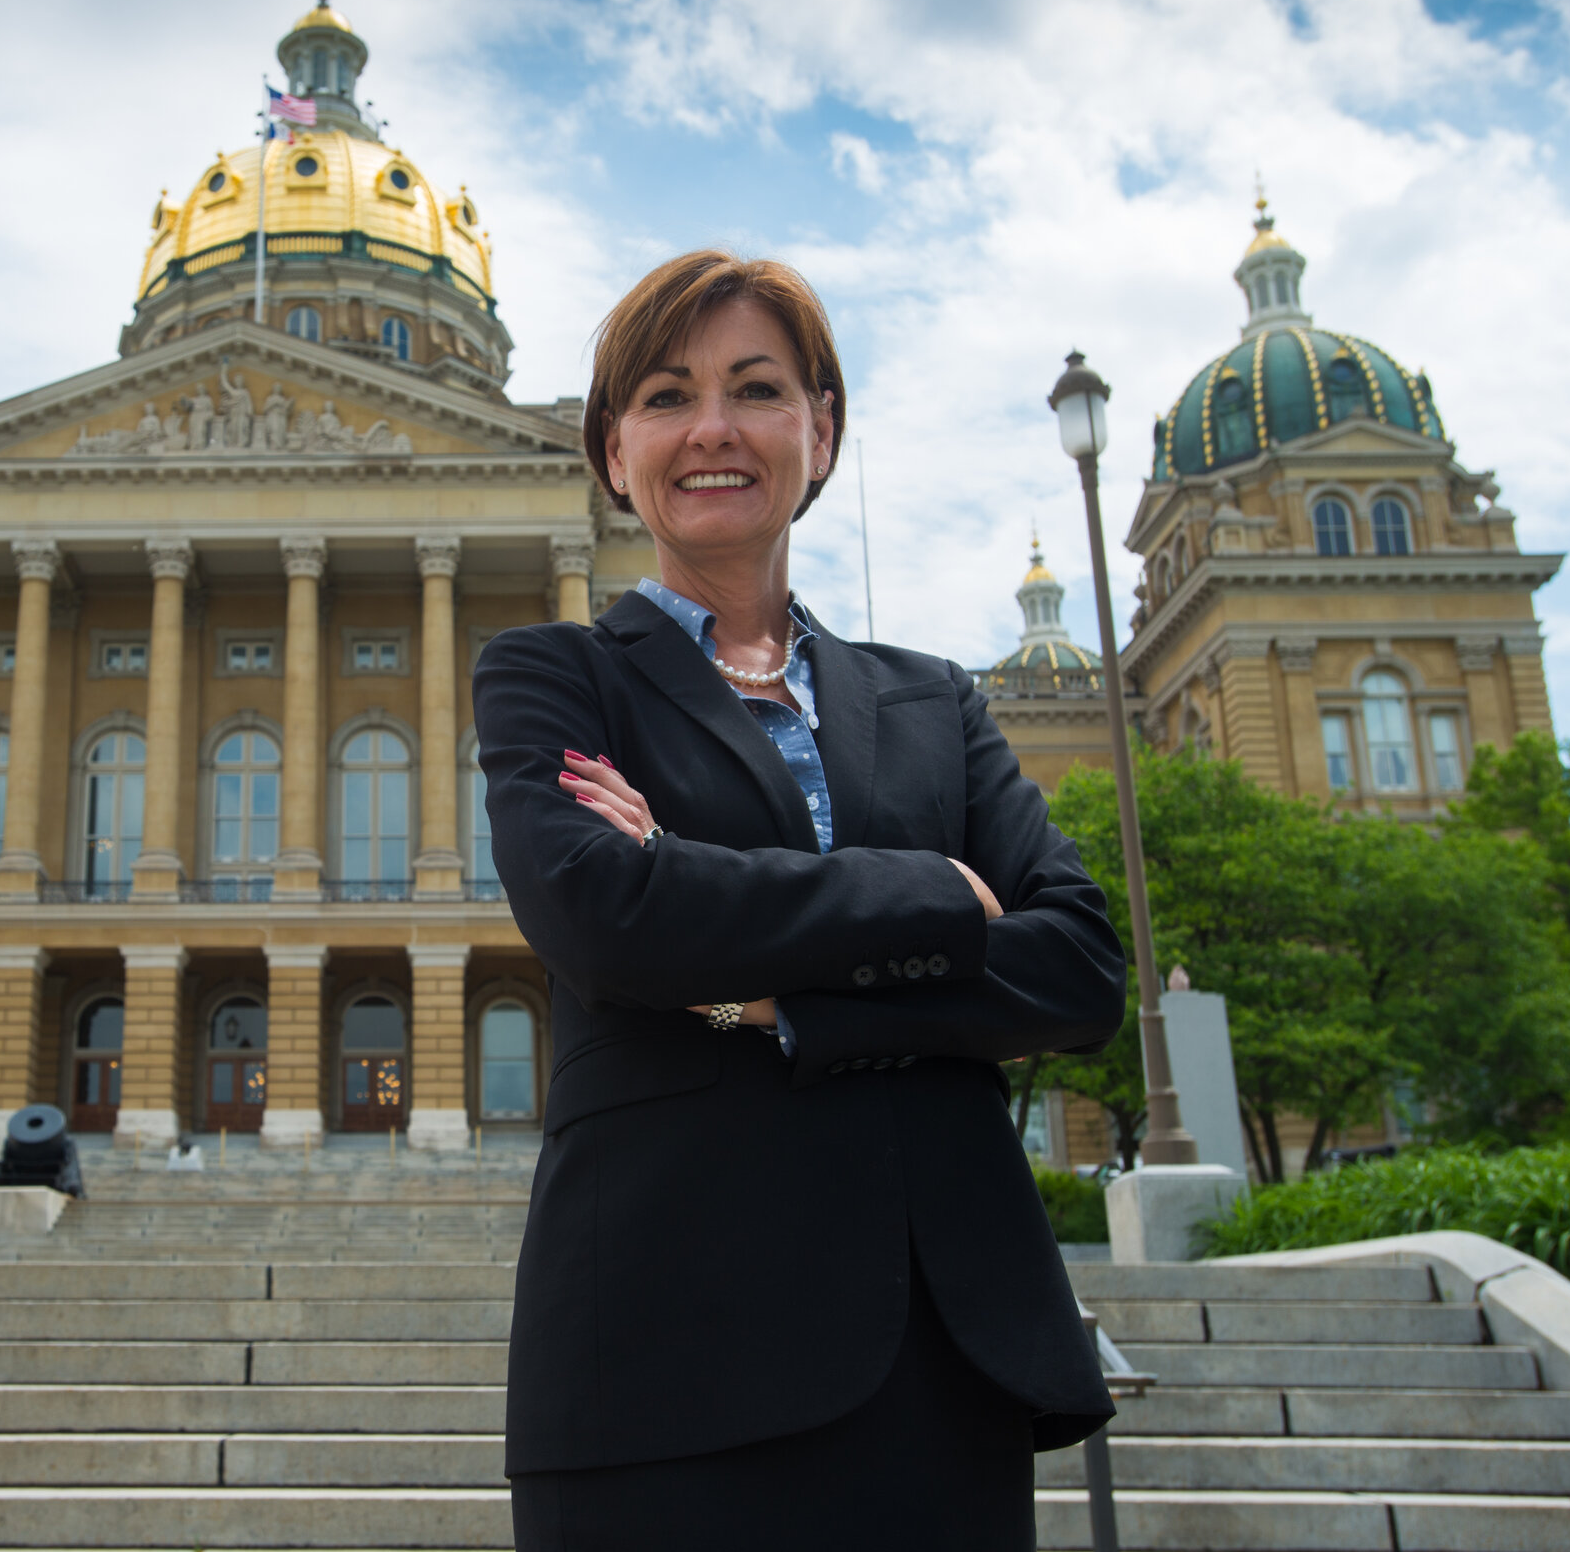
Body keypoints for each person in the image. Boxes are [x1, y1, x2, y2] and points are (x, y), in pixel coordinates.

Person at [474, 250, 1127, 1550]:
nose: (712, 428)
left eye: (757, 389)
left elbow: (1079, 968)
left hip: (944, 1359)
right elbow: (604, 914)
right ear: (614, 452)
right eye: (667, 396)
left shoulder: (933, 698)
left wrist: (777, 991)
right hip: (659, 1359)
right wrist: (938, 890)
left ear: (819, 433)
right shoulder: (553, 677)